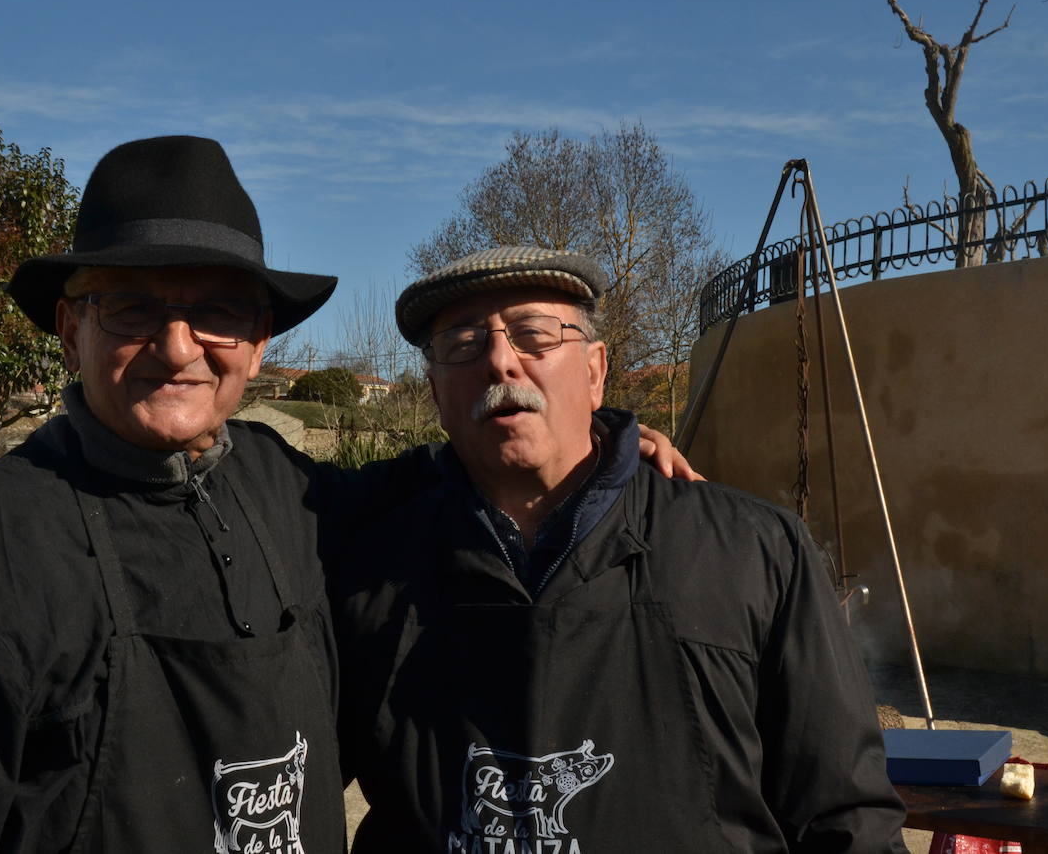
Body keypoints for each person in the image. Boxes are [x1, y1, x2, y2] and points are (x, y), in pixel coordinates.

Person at [0, 138, 692, 853]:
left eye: (218, 311)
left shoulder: (283, 486)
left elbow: (441, 476)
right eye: (133, 308)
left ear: (259, 341)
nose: (180, 347)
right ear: (72, 329)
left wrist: (595, 447)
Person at [333, 246, 908, 853]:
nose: (500, 361)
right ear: (434, 389)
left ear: (594, 370)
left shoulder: (753, 553)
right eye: (463, 343)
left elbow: (846, 818)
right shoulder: (368, 565)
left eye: (534, 335)